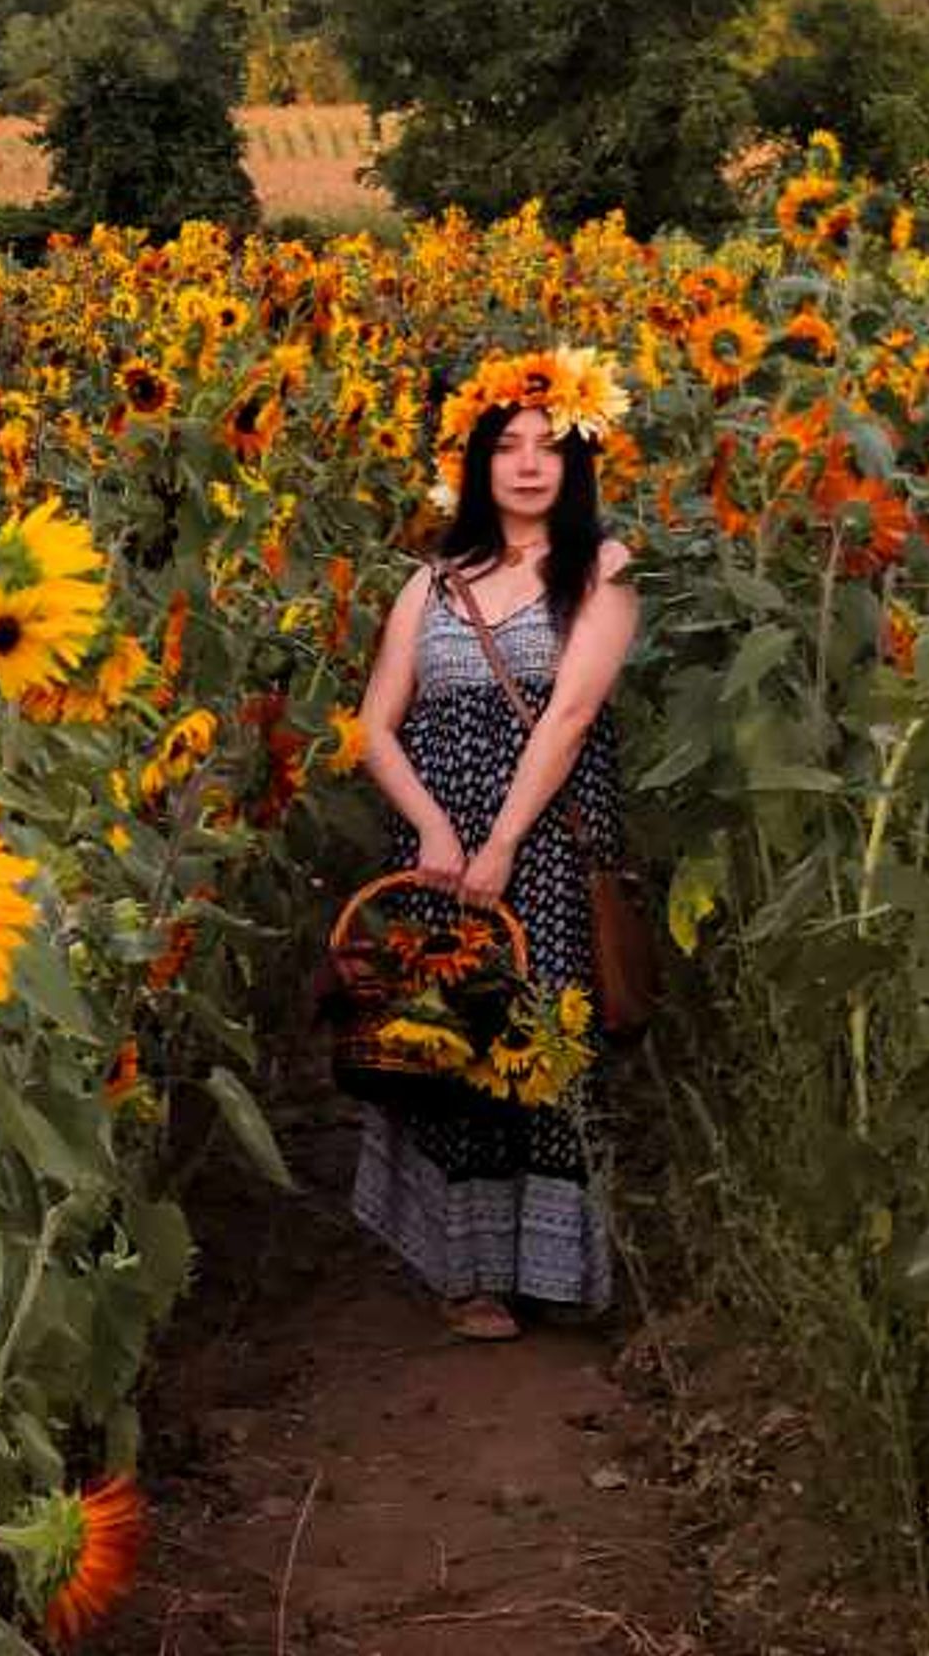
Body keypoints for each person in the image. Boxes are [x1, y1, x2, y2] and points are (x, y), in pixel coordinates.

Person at [352, 346, 639, 1341]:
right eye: (505, 447)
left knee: (541, 1038)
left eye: (547, 446)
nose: (526, 464)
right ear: (474, 465)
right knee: (451, 1045)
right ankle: (467, 1273)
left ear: (576, 463)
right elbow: (375, 723)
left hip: (545, 841)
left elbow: (570, 714)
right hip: (436, 851)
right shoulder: (430, 584)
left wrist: (504, 839)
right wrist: (435, 825)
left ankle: (548, 1268)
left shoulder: (600, 569)